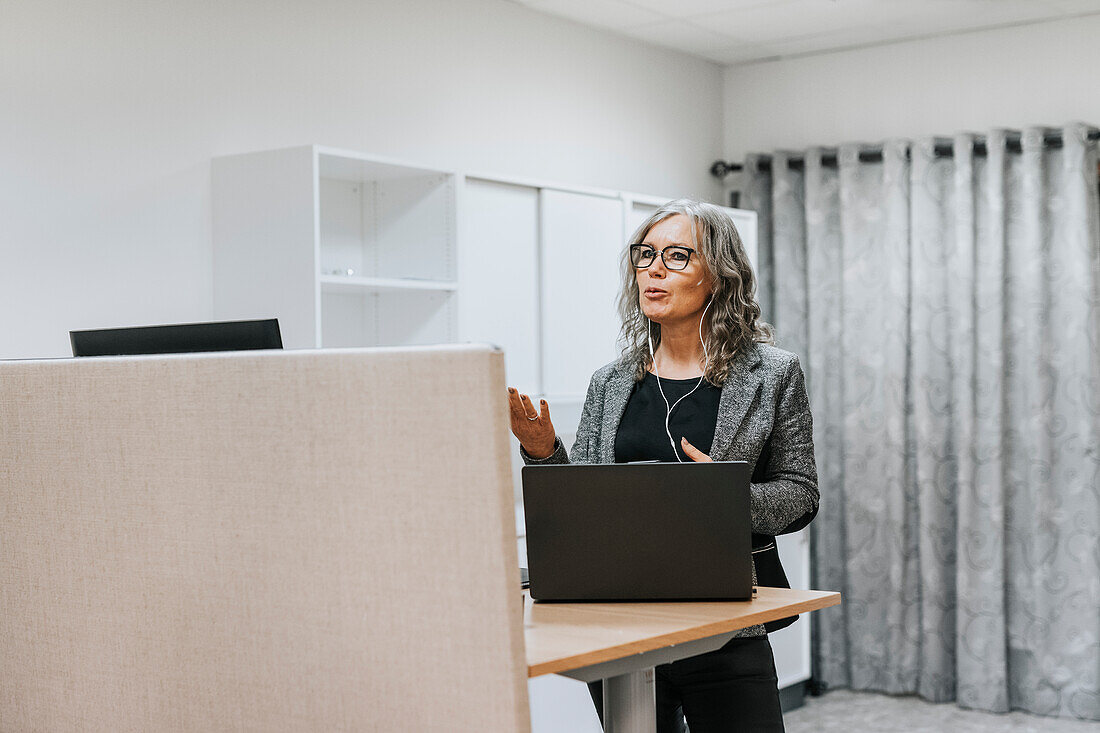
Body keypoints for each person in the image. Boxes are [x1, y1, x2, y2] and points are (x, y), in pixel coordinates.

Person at [507, 198, 818, 733]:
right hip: (620, 624)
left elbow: (800, 495)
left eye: (677, 256)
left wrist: (722, 497)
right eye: (645, 254)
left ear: (718, 274)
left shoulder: (771, 374)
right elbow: (582, 506)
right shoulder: (610, 381)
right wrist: (542, 451)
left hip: (728, 629)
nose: (654, 268)